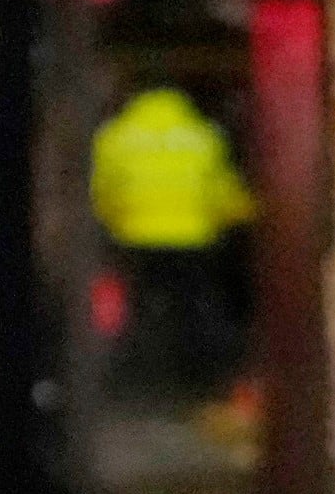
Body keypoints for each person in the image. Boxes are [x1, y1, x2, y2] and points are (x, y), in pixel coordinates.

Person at [88, 83, 257, 389]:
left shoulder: (115, 137)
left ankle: (130, 379)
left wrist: (115, 226)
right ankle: (205, 378)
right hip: (193, 239)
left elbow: (102, 194)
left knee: (138, 310)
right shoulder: (203, 137)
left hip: (136, 238)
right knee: (197, 308)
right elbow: (222, 194)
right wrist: (243, 215)